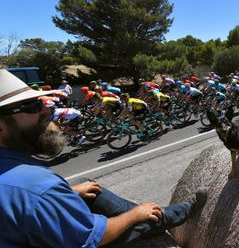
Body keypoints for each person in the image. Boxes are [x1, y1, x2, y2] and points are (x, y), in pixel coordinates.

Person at [0, 69, 208, 247]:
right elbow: (91, 240)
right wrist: (135, 215)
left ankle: (144, 130)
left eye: (40, 103)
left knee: (86, 184)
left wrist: (66, 192)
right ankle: (176, 212)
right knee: (139, 218)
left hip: (145, 107)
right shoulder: (38, 186)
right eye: (32, 107)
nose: (47, 109)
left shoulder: (22, 179)